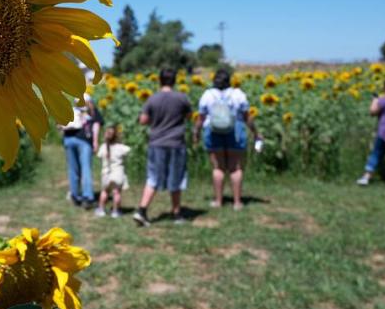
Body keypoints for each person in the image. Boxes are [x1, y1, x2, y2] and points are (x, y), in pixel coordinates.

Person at [193, 68, 261, 210]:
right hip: (235, 130)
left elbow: (201, 118)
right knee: (235, 168)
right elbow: (247, 116)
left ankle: (218, 201)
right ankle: (237, 202)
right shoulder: (238, 94)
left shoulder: (207, 95)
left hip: (213, 130)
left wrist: (196, 133)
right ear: (229, 81)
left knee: (218, 168)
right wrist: (255, 132)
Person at [133, 68, 192, 226]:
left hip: (157, 142)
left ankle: (142, 210)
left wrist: (156, 120)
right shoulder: (182, 98)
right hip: (176, 142)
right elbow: (189, 116)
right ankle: (177, 213)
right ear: (174, 81)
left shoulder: (152, 99)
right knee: (176, 178)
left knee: (153, 177)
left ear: (159, 80)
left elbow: (143, 120)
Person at [59, 94, 102, 207]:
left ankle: (75, 195)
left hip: (69, 139)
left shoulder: (71, 110)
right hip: (84, 141)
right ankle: (87, 197)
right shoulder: (92, 111)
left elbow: (60, 125)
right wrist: (95, 141)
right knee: (86, 169)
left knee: (73, 169)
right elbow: (96, 126)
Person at [96, 125, 131, 218]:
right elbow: (128, 150)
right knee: (116, 193)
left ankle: (101, 209)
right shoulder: (121, 147)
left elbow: (99, 156)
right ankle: (115, 211)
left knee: (105, 192)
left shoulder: (103, 147)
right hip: (118, 174)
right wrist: (122, 138)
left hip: (106, 174)